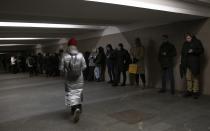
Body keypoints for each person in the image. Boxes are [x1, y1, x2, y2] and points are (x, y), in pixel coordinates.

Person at [60, 38, 86, 123]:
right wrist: (78, 70)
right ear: (76, 46)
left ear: (68, 45)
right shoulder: (80, 55)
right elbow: (85, 66)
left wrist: (65, 72)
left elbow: (61, 68)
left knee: (71, 94)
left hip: (69, 78)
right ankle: (79, 107)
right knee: (78, 92)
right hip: (79, 78)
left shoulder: (64, 55)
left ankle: (74, 109)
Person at [180, 33, 204, 99]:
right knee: (188, 78)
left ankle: (195, 92)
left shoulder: (197, 42)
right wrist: (182, 63)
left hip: (194, 63)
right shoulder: (185, 44)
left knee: (195, 78)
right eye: (187, 38)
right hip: (187, 64)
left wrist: (193, 51)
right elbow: (182, 53)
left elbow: (201, 50)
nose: (188, 39)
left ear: (191, 37)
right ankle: (189, 91)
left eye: (189, 38)